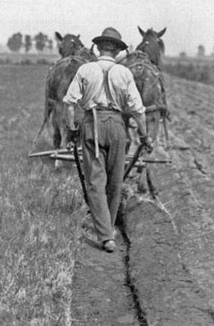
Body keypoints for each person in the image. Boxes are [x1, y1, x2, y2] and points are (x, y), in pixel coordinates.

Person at [63, 27, 153, 253]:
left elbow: (68, 103)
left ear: (99, 48)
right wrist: (144, 135)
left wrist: (72, 128)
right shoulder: (124, 73)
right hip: (117, 125)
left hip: (92, 124)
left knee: (95, 180)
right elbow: (138, 110)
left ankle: (105, 234)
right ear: (116, 50)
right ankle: (108, 229)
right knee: (115, 180)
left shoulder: (85, 69)